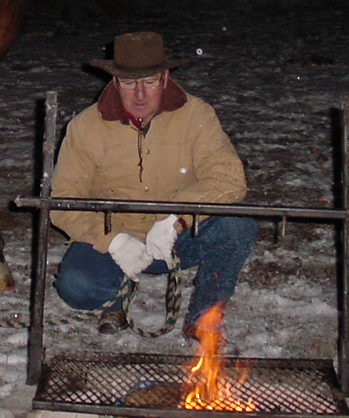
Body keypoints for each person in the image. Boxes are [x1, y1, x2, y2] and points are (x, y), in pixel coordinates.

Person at [49, 31, 257, 336]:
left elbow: (228, 179)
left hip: (179, 237)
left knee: (237, 226)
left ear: (165, 78)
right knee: (77, 287)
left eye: (149, 82)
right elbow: (63, 200)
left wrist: (178, 218)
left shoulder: (196, 115)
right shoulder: (85, 127)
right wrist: (112, 241)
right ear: (114, 82)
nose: (140, 95)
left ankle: (204, 317)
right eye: (129, 83)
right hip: (114, 236)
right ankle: (117, 297)